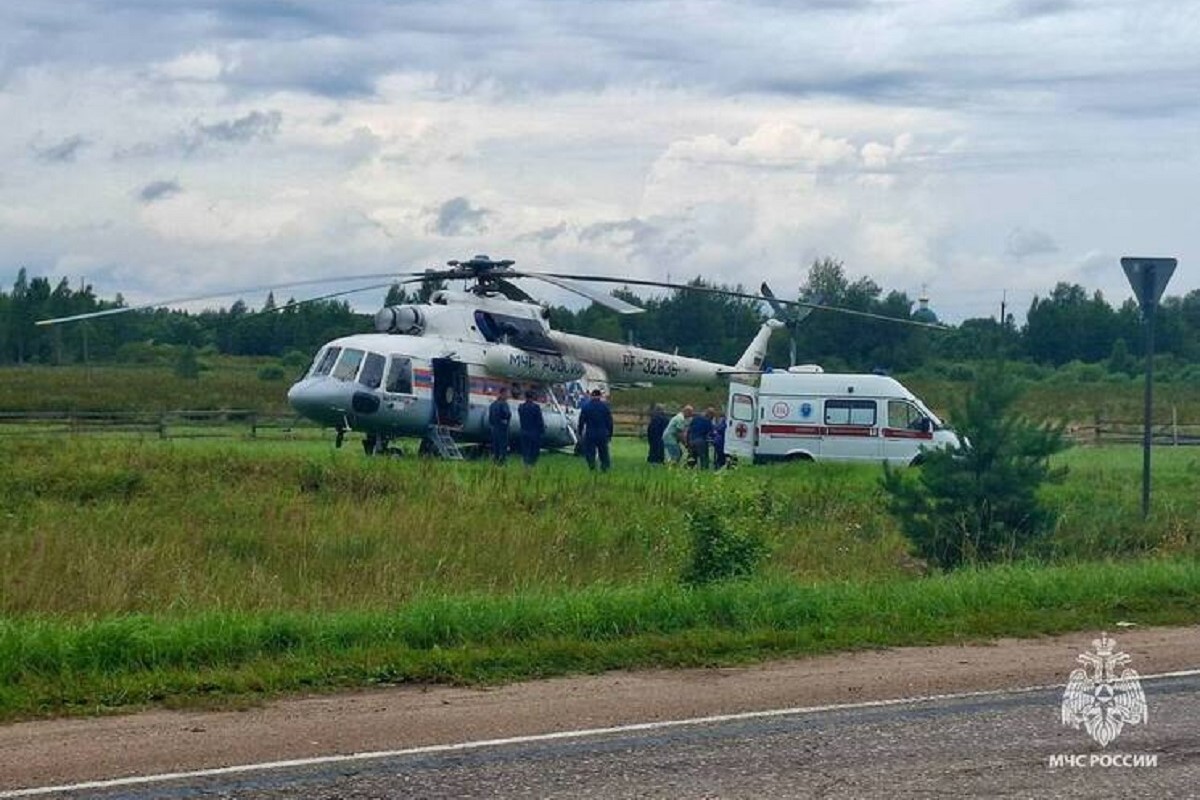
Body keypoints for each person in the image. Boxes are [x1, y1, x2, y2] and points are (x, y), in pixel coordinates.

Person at [577, 388, 613, 472]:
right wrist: (610, 434)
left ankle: (592, 466)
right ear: (600, 396)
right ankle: (604, 467)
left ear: (591, 396)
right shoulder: (605, 407)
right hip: (602, 433)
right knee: (603, 452)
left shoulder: (586, 407)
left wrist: (580, 432)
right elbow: (610, 422)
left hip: (590, 433)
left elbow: (581, 421)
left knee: (590, 452)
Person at [517, 390, 545, 467]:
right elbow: (539, 420)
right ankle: (532, 465)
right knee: (534, 451)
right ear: (532, 397)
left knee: (525, 451)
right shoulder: (536, 407)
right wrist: (542, 431)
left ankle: (525, 464)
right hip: (534, 433)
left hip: (524, 432)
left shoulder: (521, 407)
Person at [487, 387, 512, 464]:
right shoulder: (504, 404)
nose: (508, 396)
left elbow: (490, 418)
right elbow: (506, 414)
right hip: (502, 428)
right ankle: (502, 462)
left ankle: (495, 461)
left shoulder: (493, 404)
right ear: (503, 394)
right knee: (503, 446)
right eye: (507, 394)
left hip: (494, 428)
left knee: (495, 446)